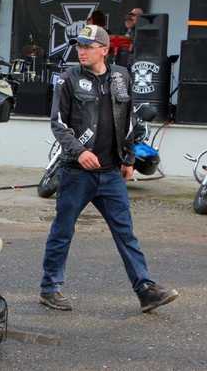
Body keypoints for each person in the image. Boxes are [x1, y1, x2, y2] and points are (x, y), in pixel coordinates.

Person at [39, 25, 179, 313]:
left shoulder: (121, 77)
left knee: (126, 233)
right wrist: (79, 153)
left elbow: (129, 122)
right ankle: (49, 288)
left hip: (111, 172)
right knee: (62, 230)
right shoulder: (68, 79)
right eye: (79, 46)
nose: (82, 51)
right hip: (77, 173)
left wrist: (128, 159)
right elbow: (59, 123)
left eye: (88, 46)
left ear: (104, 49)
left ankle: (145, 290)